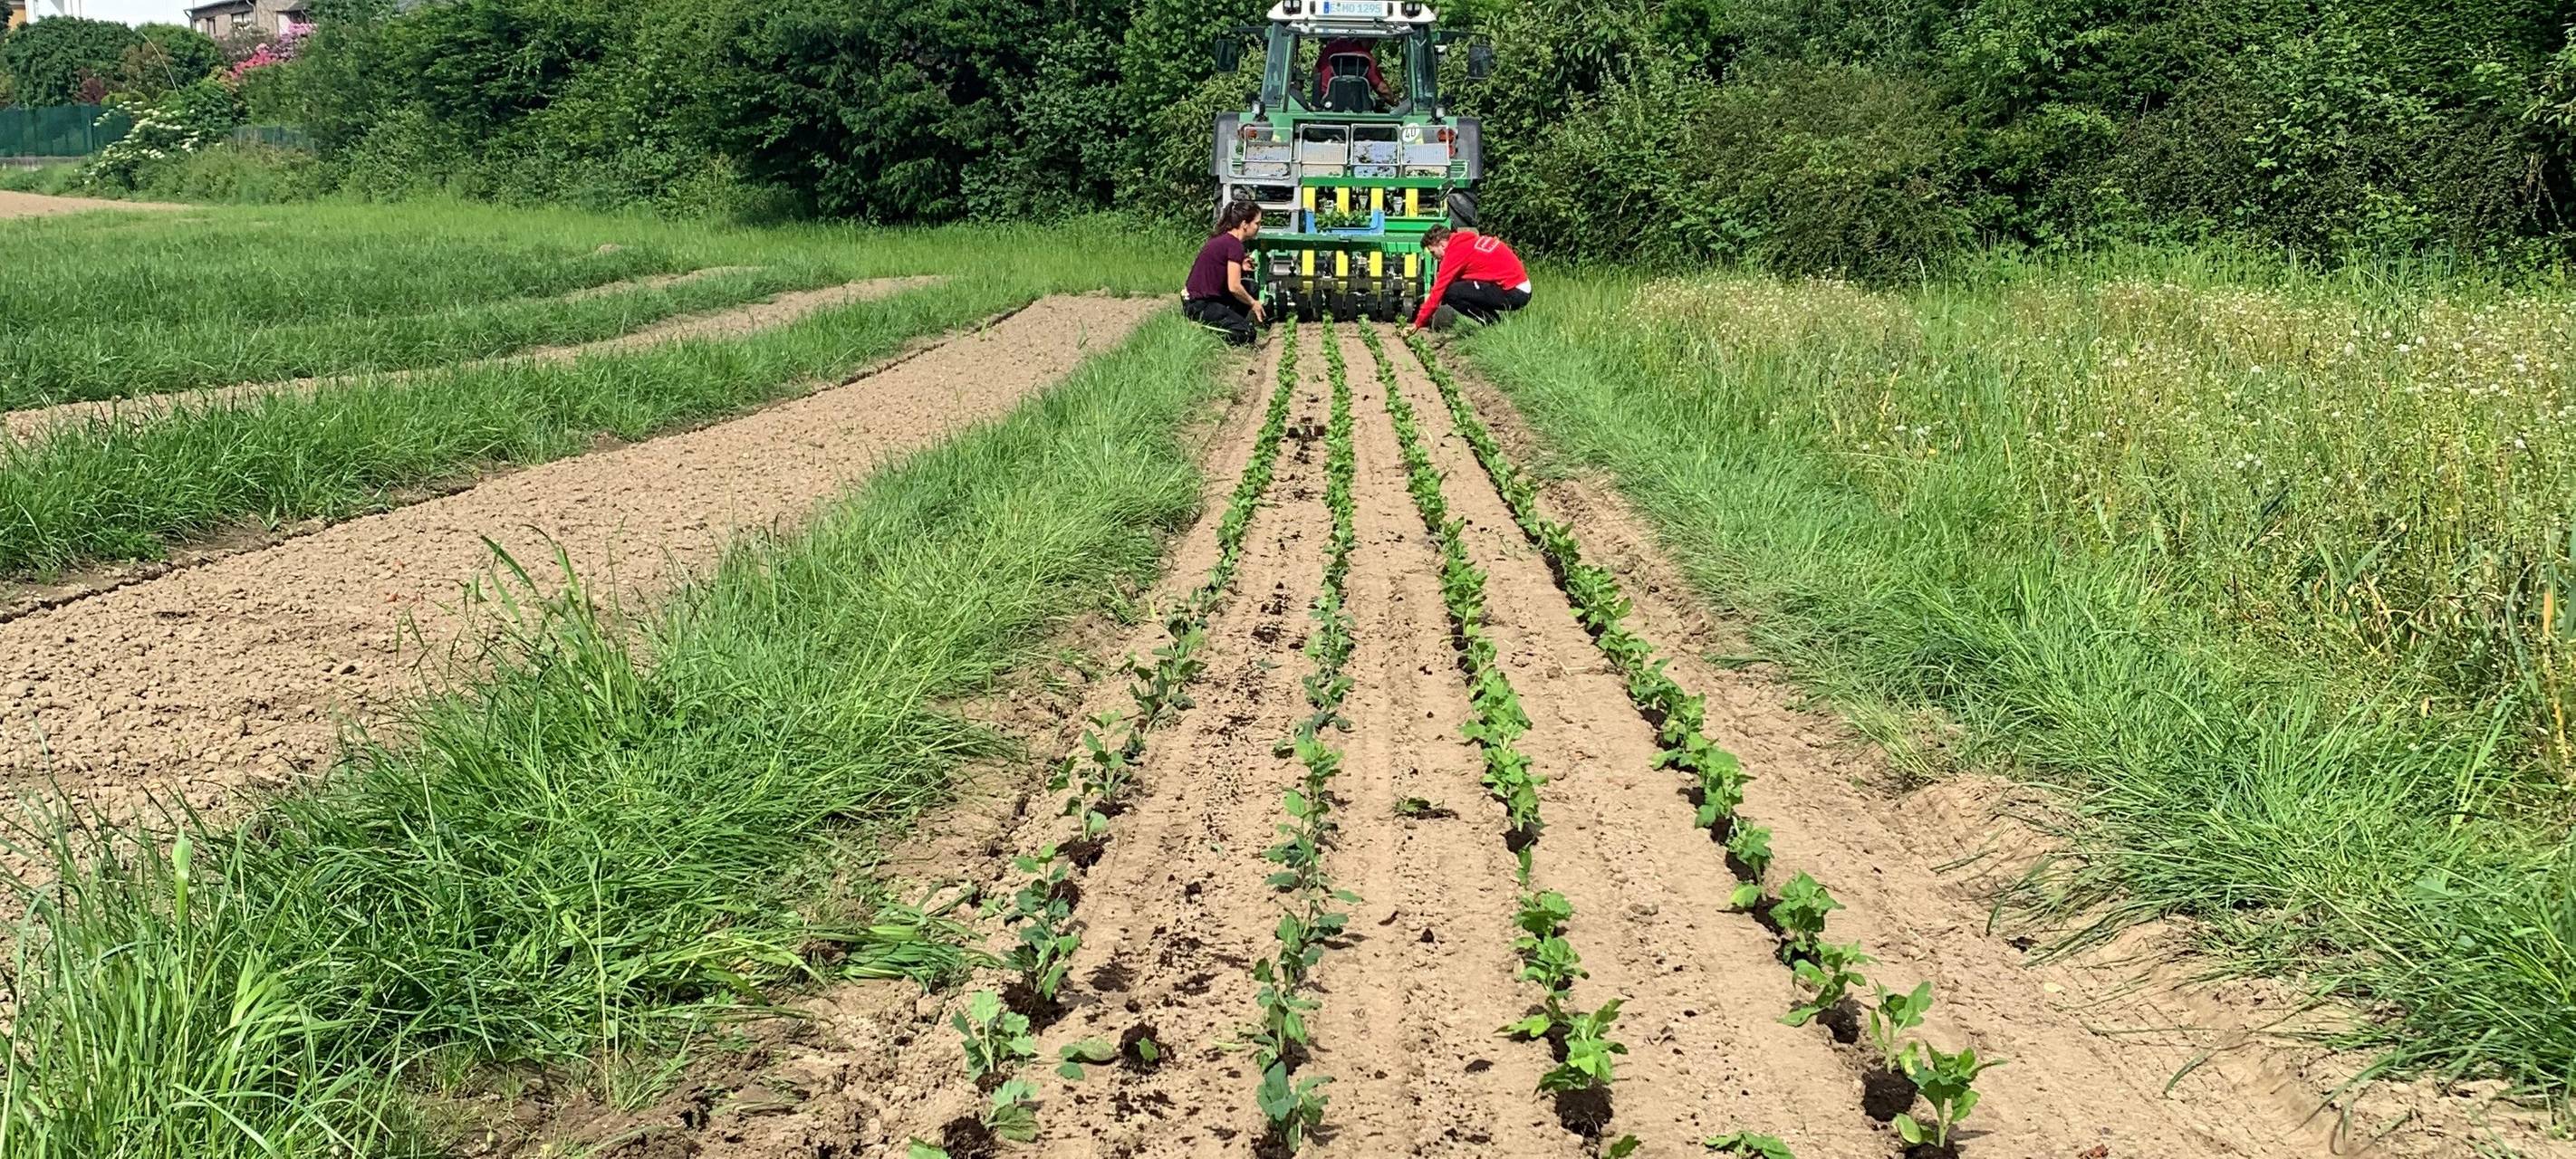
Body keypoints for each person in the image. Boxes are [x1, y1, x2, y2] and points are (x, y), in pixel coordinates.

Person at [1410, 224, 1531, 331]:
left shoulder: (1454, 253)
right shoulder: (1464, 242)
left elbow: (1439, 290)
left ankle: (1492, 323)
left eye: (1433, 252)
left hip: (1515, 293)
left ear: (1442, 244)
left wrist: (1417, 323)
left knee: (1450, 292)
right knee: (1459, 289)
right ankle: (1495, 322)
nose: (1434, 257)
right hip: (1520, 287)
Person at [1184, 200, 1266, 346]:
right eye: (1257, 223)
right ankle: (1205, 330)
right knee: (1248, 334)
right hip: (1200, 304)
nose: (1259, 227)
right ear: (1244, 224)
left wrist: (1241, 266)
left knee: (1251, 287)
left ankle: (1231, 322)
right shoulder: (1234, 245)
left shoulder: (1225, 240)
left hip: (1198, 299)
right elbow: (1234, 287)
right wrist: (1254, 303)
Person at [1314, 36, 1393, 108]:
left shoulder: (1330, 48)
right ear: (1366, 39)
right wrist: (1395, 103)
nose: (1372, 46)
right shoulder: (1366, 57)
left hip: (1328, 102)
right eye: (1373, 42)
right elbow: (1382, 89)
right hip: (1358, 104)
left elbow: (1315, 72)